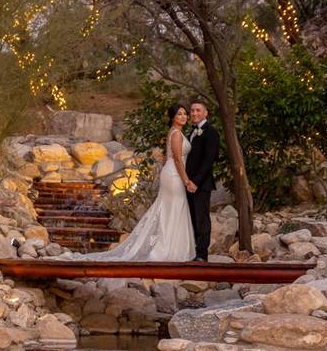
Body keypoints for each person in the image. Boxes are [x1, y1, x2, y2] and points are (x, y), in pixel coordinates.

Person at [63, 102, 195, 262]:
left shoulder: (176, 133)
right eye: (179, 114)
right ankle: (164, 250)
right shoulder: (175, 134)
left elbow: (169, 158)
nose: (183, 116)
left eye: (184, 114)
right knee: (173, 209)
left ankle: (171, 247)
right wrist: (187, 180)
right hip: (175, 175)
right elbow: (177, 160)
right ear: (173, 117)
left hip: (172, 173)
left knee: (172, 208)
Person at [184, 99, 218, 262]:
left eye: (198, 110)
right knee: (191, 218)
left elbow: (208, 160)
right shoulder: (192, 131)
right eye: (192, 111)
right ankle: (192, 251)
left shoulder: (211, 132)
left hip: (201, 184)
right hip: (188, 183)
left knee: (202, 219)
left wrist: (195, 182)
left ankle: (202, 254)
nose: (194, 113)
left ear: (206, 113)